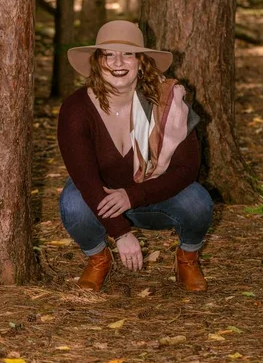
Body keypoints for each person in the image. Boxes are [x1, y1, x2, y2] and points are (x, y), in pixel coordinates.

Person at [57, 20, 213, 293]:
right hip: (101, 197)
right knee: (72, 203)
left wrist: (131, 196)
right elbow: (85, 178)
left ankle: (187, 258)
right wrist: (121, 233)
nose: (118, 61)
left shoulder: (167, 104)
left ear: (141, 62)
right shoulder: (76, 108)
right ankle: (98, 259)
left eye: (127, 53)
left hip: (153, 194)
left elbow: (187, 168)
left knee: (198, 202)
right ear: (97, 62)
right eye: (108, 54)